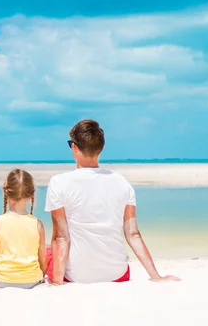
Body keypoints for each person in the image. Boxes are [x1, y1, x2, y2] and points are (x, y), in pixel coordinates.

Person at [45, 119, 180, 284]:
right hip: (117, 274)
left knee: (47, 252)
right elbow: (132, 234)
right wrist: (156, 276)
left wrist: (58, 282)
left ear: (74, 147)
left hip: (76, 275)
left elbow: (61, 237)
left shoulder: (59, 182)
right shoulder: (122, 182)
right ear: (101, 148)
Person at [0, 169, 47, 288]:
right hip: (32, 281)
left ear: (6, 192)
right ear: (31, 195)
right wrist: (38, 276)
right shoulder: (38, 224)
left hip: (1, 280)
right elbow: (43, 260)